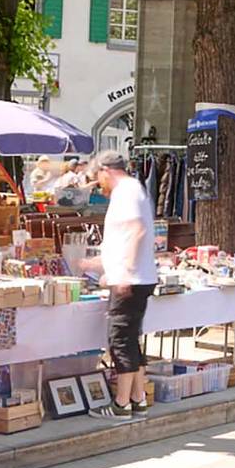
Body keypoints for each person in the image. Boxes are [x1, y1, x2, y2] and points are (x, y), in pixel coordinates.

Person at [87, 149, 160, 415]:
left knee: (119, 339)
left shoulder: (127, 191)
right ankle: (138, 398)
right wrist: (97, 264)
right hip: (134, 277)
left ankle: (121, 404)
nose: (98, 183)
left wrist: (125, 271)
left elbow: (136, 230)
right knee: (129, 339)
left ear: (106, 170)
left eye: (98, 176)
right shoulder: (131, 190)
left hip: (131, 279)